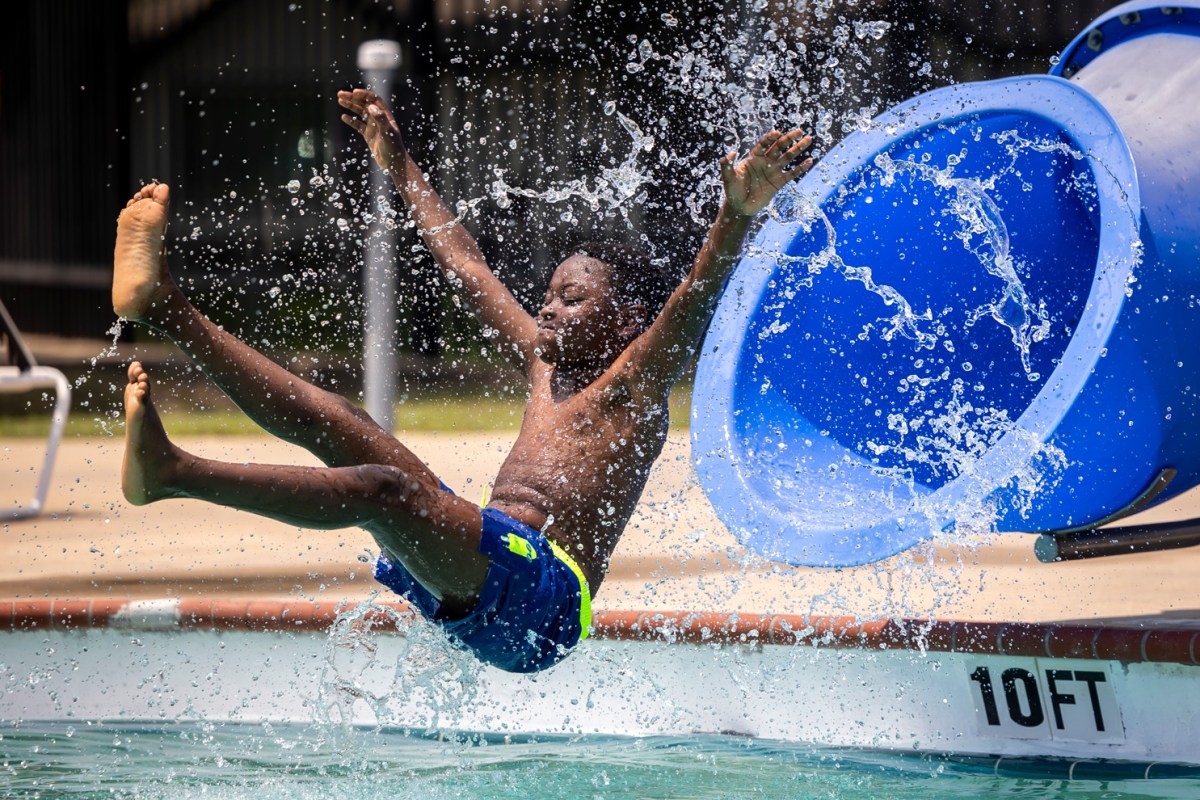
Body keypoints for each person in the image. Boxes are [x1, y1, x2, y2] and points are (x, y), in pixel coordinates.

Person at [112, 88, 813, 672]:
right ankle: (166, 306)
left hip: (544, 602)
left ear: (629, 321)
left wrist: (737, 212)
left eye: (574, 299)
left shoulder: (633, 386)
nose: (547, 306)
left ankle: (174, 471)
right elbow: (468, 266)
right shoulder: (545, 361)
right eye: (549, 292)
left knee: (383, 492)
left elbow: (694, 293)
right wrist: (398, 162)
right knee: (342, 423)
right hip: (484, 561)